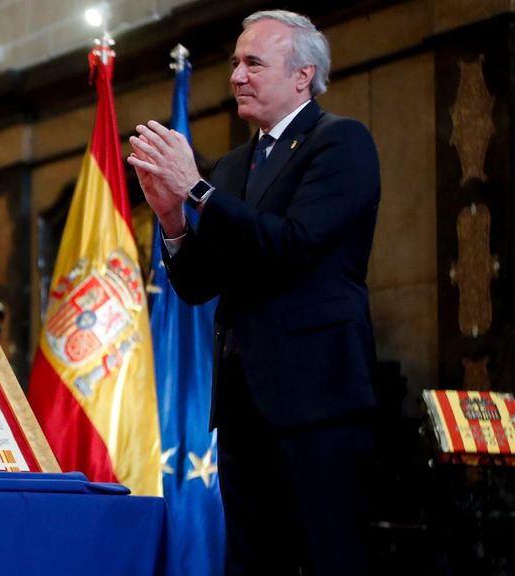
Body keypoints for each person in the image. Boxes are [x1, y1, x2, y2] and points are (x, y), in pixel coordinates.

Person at [128, 10, 379, 575]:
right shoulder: (238, 164)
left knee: (328, 559)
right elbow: (197, 286)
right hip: (243, 409)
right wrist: (172, 219)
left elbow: (292, 245)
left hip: (319, 403)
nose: (237, 75)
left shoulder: (341, 143)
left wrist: (194, 187)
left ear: (302, 75)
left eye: (253, 63)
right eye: (235, 63)